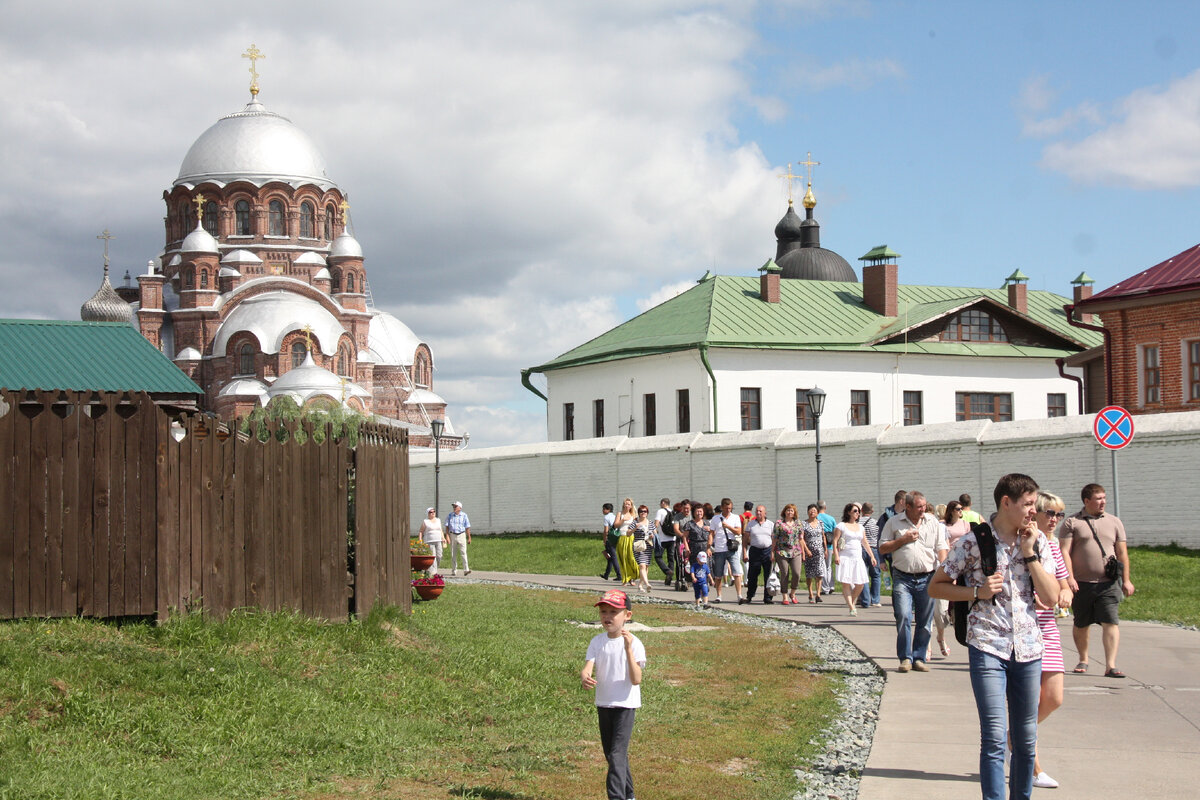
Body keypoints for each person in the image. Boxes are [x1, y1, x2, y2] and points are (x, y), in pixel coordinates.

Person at [930, 473, 1059, 800]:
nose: (1034, 511)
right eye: (1028, 504)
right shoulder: (974, 542)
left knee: (1026, 737)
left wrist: (1030, 554)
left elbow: (1052, 596)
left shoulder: (1038, 540)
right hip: (987, 646)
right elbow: (937, 586)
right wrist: (976, 591)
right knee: (994, 737)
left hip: (1029, 649)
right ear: (1006, 502)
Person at [1059, 483, 1135, 678]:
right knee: (1082, 623)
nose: (1103, 502)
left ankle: (1110, 665)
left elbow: (1122, 553)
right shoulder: (1072, 522)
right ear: (1086, 501)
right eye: (1098, 498)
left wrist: (1126, 580)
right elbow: (1064, 552)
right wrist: (1069, 578)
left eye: (1104, 498)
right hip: (1081, 584)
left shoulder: (1115, 522)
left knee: (1111, 621)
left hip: (1108, 583)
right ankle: (1083, 659)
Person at [581, 589, 646, 800]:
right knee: (612, 755)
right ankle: (630, 795)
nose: (607, 617)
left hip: (625, 705)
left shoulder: (634, 643)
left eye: (613, 612)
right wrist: (585, 676)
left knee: (617, 754)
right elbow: (588, 666)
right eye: (603, 612)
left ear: (627, 615)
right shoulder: (597, 641)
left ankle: (616, 797)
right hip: (604, 703)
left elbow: (636, 679)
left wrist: (628, 650)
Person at [1031, 490, 1074, 790]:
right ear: (1036, 513)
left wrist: (1065, 594)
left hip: (1049, 626)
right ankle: (1033, 766)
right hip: (1025, 625)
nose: (1055, 520)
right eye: (1051, 514)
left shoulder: (1054, 545)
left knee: (1054, 698)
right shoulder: (1026, 541)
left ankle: (1010, 739)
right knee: (1030, 700)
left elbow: (1064, 581)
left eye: (1059, 514)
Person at [879, 491, 947, 672]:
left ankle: (919, 657)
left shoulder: (932, 522)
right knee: (903, 615)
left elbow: (942, 547)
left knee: (925, 621)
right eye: (918, 507)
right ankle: (905, 658)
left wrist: (945, 571)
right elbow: (883, 546)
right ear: (907, 507)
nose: (923, 510)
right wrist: (903, 540)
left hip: (927, 577)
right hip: (902, 577)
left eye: (924, 506)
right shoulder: (893, 522)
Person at [934, 500, 973, 656]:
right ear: (951, 511)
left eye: (961, 508)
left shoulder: (965, 525)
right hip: (949, 565)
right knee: (940, 610)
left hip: (965, 567)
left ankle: (958, 631)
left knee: (960, 606)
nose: (960, 511)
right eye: (957, 509)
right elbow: (941, 546)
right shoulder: (942, 525)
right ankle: (940, 637)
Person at [834, 503, 874, 615]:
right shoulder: (841, 526)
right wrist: (836, 555)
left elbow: (865, 542)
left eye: (858, 511)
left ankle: (851, 601)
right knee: (846, 582)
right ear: (849, 512)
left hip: (857, 558)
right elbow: (835, 541)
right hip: (845, 557)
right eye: (855, 511)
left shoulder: (860, 527)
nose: (857, 513)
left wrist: (872, 556)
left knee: (860, 583)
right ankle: (852, 607)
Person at [709, 498, 744, 603]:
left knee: (736, 572)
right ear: (722, 507)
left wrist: (728, 526)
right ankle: (719, 595)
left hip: (731, 548)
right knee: (718, 574)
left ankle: (739, 595)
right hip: (719, 549)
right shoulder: (715, 519)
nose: (729, 510)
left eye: (730, 508)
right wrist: (709, 545)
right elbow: (711, 533)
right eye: (727, 508)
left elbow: (738, 532)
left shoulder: (735, 517)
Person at [742, 504, 775, 604]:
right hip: (755, 551)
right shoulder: (751, 524)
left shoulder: (770, 524)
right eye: (757, 511)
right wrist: (744, 553)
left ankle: (767, 597)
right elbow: (745, 540)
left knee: (768, 575)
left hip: (767, 551)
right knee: (752, 575)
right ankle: (750, 596)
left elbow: (774, 540)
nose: (758, 513)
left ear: (765, 513)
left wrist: (773, 553)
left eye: (760, 511)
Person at [774, 503, 804, 605]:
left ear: (794, 513)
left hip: (796, 551)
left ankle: (793, 593)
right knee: (784, 573)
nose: (789, 512)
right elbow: (775, 538)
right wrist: (772, 552)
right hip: (782, 551)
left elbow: (801, 539)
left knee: (796, 573)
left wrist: (803, 552)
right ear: (784, 512)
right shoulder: (779, 523)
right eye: (788, 510)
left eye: (791, 510)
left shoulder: (798, 524)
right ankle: (785, 595)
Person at [858, 502, 882, 608]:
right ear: (872, 511)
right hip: (874, 549)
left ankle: (865, 599)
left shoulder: (857, 522)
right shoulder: (875, 523)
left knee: (864, 575)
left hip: (861, 549)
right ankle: (875, 599)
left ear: (861, 510)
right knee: (876, 575)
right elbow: (879, 537)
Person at [801, 504, 826, 603]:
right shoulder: (804, 523)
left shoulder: (820, 523)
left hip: (819, 550)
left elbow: (823, 536)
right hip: (809, 550)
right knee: (809, 573)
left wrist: (825, 549)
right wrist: (806, 550)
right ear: (808, 512)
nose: (812, 512)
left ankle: (818, 594)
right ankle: (811, 593)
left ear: (817, 512)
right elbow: (802, 538)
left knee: (819, 572)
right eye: (811, 510)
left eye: (814, 511)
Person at [614, 498, 638, 587]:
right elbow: (615, 525)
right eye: (625, 504)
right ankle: (625, 578)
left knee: (631, 558)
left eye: (628, 504)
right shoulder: (620, 514)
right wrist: (623, 519)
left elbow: (637, 526)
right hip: (622, 536)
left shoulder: (633, 515)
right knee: (623, 558)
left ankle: (633, 577)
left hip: (631, 537)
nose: (627, 505)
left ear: (631, 506)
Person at [631, 504, 655, 592]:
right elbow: (628, 533)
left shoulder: (650, 523)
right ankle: (647, 584)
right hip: (639, 546)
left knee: (646, 566)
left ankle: (640, 585)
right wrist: (635, 528)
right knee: (642, 565)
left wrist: (652, 535)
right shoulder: (635, 522)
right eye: (641, 511)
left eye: (645, 511)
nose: (643, 513)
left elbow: (654, 532)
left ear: (647, 513)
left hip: (648, 546)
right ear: (639, 513)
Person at [445, 501, 472, 576]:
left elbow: (467, 527)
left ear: (460, 508)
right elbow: (447, 527)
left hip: (461, 534)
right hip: (452, 535)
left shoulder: (464, 515)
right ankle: (454, 570)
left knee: (463, 552)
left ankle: (466, 569)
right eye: (453, 506)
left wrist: (469, 537)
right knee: (453, 553)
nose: (454, 508)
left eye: (455, 506)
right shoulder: (450, 516)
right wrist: (447, 536)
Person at [817, 501, 837, 594]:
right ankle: (831, 585)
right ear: (825, 507)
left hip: (819, 544)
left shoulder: (816, 518)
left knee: (823, 566)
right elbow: (836, 532)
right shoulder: (831, 518)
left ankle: (825, 588)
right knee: (829, 566)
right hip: (830, 545)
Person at [653, 498, 674, 585]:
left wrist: (654, 533)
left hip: (662, 539)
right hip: (673, 538)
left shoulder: (660, 511)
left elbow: (656, 524)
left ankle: (668, 571)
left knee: (658, 556)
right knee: (671, 558)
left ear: (663, 503)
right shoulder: (673, 512)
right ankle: (669, 578)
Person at [418, 507, 444, 574]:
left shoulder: (438, 520)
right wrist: (420, 540)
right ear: (428, 513)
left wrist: (443, 538)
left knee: (439, 555)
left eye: (433, 512)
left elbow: (440, 530)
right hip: (429, 541)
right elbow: (421, 531)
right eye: (430, 512)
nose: (432, 513)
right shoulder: (425, 521)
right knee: (433, 556)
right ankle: (434, 572)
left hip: (438, 540)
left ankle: (433, 568)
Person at [600, 502, 620, 582]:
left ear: (608, 510)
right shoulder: (615, 517)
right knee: (610, 557)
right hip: (616, 537)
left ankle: (619, 575)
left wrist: (604, 540)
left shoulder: (606, 517)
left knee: (613, 557)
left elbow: (606, 530)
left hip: (610, 539)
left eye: (604, 509)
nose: (603, 510)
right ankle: (606, 574)